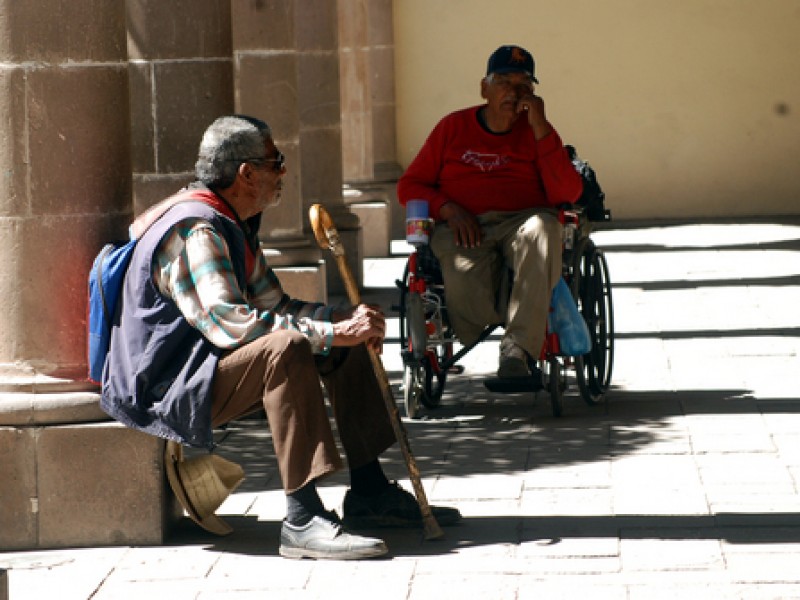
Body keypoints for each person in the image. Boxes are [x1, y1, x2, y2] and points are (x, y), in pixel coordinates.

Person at [101, 115, 460, 560]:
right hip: (171, 387)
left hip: (207, 369)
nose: (283, 173)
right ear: (247, 174)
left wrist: (342, 321)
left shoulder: (232, 222)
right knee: (286, 348)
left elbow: (276, 307)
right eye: (276, 162)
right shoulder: (199, 230)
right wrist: (330, 331)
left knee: (341, 346)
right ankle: (303, 517)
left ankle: (369, 491)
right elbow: (231, 324)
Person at [397, 45, 583, 381]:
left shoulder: (537, 131)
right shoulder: (452, 128)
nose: (513, 93)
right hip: (462, 225)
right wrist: (448, 209)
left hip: (523, 221)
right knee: (467, 285)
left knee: (545, 229)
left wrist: (540, 125)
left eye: (523, 85)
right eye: (504, 83)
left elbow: (567, 194)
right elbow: (410, 185)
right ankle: (509, 316)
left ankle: (517, 349)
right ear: (484, 88)